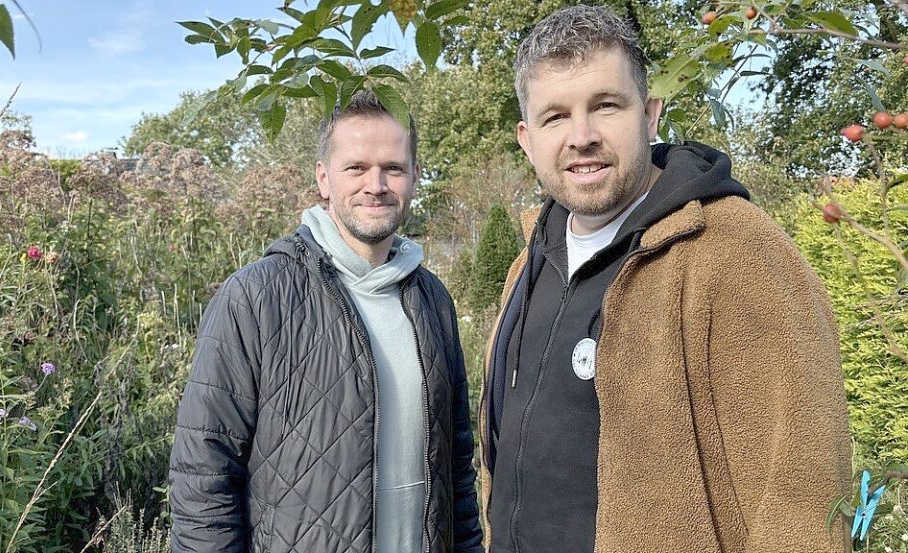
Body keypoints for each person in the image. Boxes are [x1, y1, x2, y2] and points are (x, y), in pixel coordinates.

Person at [479, 5, 851, 552]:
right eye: (555, 116)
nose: (581, 136)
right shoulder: (529, 262)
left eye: (606, 106)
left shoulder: (736, 251)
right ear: (527, 138)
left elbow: (802, 490)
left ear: (650, 116)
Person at [169, 89, 483, 553]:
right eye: (356, 167)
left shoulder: (432, 300)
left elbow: (457, 466)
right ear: (324, 179)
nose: (375, 184)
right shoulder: (255, 298)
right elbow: (204, 476)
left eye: (393, 168)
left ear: (415, 177)